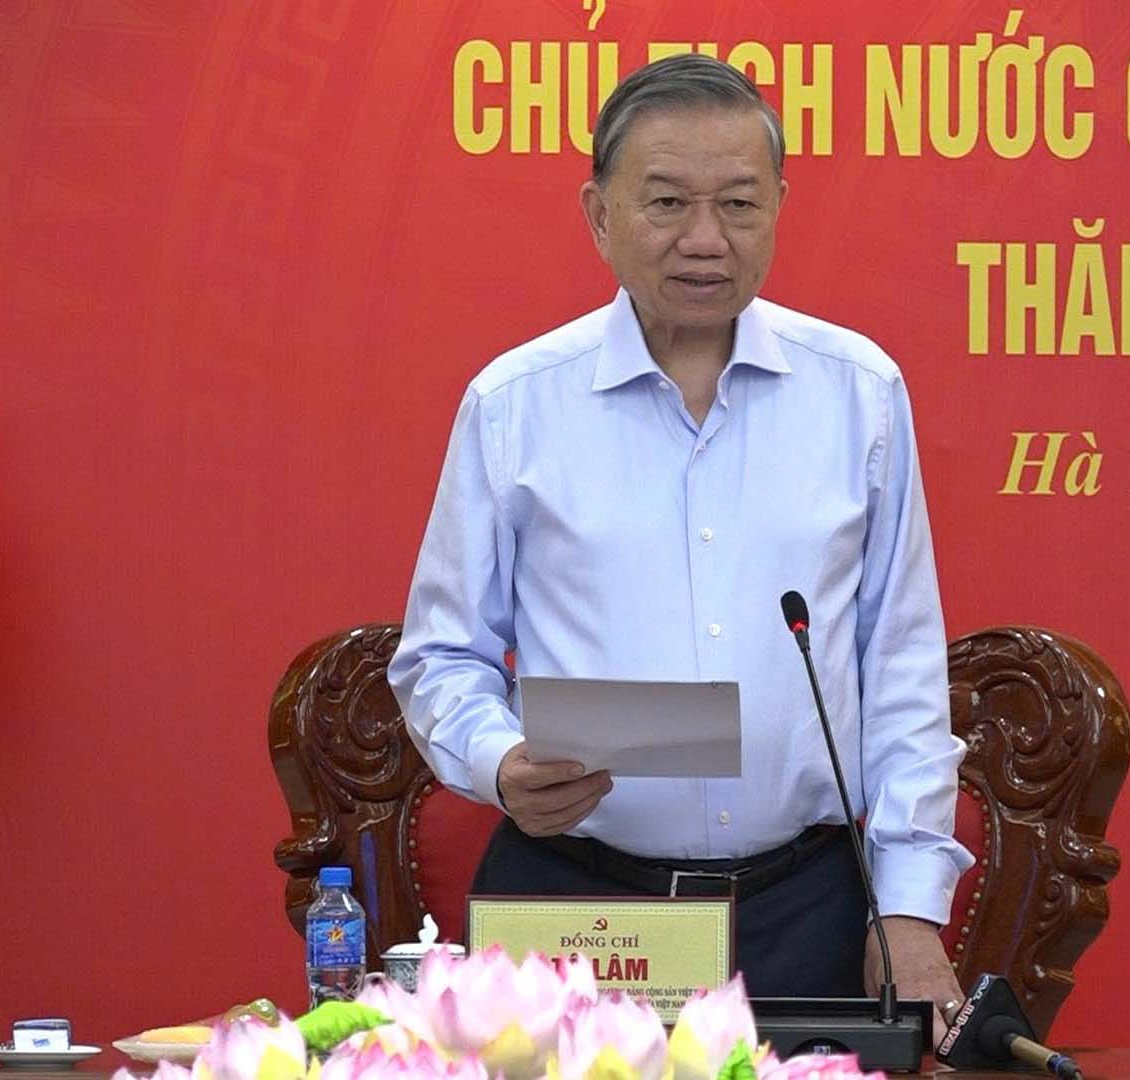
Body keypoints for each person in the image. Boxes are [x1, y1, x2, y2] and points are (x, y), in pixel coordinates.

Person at [390, 53, 972, 1024]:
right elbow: (440, 658)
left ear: (779, 207)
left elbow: (901, 663)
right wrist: (499, 762)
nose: (705, 240)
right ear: (599, 215)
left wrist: (909, 907)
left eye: (739, 204)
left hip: (805, 904)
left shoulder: (857, 393)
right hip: (578, 902)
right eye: (666, 203)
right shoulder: (517, 403)